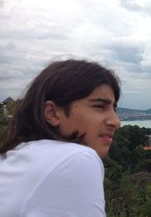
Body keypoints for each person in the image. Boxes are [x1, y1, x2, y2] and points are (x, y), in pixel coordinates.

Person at [0, 59, 121, 216]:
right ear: (52, 113)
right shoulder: (76, 158)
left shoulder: (16, 157)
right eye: (99, 106)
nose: (116, 121)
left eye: (113, 108)